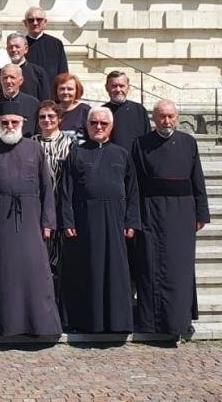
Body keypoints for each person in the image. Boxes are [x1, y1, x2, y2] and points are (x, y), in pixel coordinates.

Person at [0, 101, 63, 337]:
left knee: (35, 271)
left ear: (22, 123)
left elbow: (46, 187)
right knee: (4, 270)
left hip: (31, 217)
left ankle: (39, 325)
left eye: (14, 122)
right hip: (0, 218)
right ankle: (6, 325)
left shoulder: (34, 148)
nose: (9, 126)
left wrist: (48, 222)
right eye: (5, 122)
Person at [130, 100, 210, 338]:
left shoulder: (188, 143)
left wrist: (201, 212)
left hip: (182, 213)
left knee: (180, 268)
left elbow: (198, 179)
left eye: (171, 116)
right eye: (162, 117)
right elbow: (134, 185)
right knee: (150, 266)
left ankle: (180, 322)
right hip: (151, 211)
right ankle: (151, 324)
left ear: (178, 117)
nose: (166, 121)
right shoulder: (140, 144)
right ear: (153, 118)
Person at [60, 107, 141, 334]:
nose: (98, 127)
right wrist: (68, 222)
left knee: (116, 272)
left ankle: (118, 323)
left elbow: (133, 191)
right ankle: (90, 323)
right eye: (94, 123)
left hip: (116, 221)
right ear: (87, 126)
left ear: (111, 127)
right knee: (90, 270)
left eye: (103, 124)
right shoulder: (76, 153)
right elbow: (66, 191)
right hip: (85, 222)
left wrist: (131, 222)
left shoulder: (122, 154)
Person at [34, 99, 76, 327]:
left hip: (61, 209)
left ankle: (61, 314)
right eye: (42, 117)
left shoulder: (70, 144)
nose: (47, 120)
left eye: (51, 116)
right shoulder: (31, 143)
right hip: (37, 212)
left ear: (59, 119)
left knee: (61, 263)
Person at [0, 64, 41, 137]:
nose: (8, 81)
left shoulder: (33, 103)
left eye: (12, 77)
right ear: (0, 80)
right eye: (5, 78)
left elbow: (38, 130)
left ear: (21, 81)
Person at [104, 71, 152, 151]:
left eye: (122, 86)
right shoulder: (101, 112)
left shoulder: (139, 110)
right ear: (107, 87)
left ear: (128, 87)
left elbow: (148, 138)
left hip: (135, 160)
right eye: (114, 86)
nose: (118, 89)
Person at [22, 6, 69, 79]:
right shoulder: (19, 45)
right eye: (31, 20)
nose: (35, 23)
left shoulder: (56, 44)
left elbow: (63, 71)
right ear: (25, 23)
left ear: (45, 22)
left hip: (51, 88)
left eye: (39, 20)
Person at [4, 33, 53, 103]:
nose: (14, 49)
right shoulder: (1, 73)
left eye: (17, 46)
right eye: (10, 47)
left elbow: (45, 102)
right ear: (7, 50)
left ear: (26, 49)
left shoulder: (38, 73)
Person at [54, 73, 91, 140]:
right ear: (56, 90)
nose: (65, 92)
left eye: (70, 89)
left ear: (77, 90)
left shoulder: (85, 111)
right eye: (62, 89)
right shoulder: (52, 110)